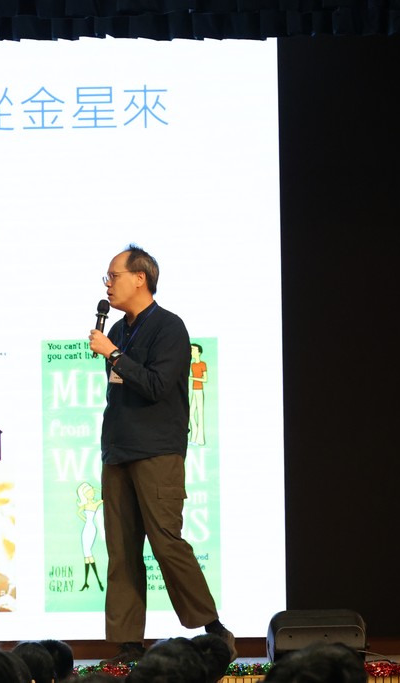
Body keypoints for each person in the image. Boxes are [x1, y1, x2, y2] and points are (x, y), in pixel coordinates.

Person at [87, 244, 235, 665]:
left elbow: (156, 386)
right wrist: (114, 349)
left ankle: (213, 628)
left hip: (157, 452)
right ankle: (128, 644)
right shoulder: (118, 330)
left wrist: (113, 354)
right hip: (118, 451)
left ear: (140, 278)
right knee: (121, 549)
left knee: (166, 542)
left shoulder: (169, 327)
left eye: (113, 275)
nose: (108, 284)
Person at [76, 482, 105, 591]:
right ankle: (87, 582)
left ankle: (96, 581)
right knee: (86, 554)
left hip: (91, 529)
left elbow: (103, 498)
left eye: (91, 492)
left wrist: (95, 489)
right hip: (86, 528)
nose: (91, 493)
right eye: (88, 492)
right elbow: (78, 513)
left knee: (88, 553)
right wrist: (85, 520)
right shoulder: (85, 505)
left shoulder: (94, 504)